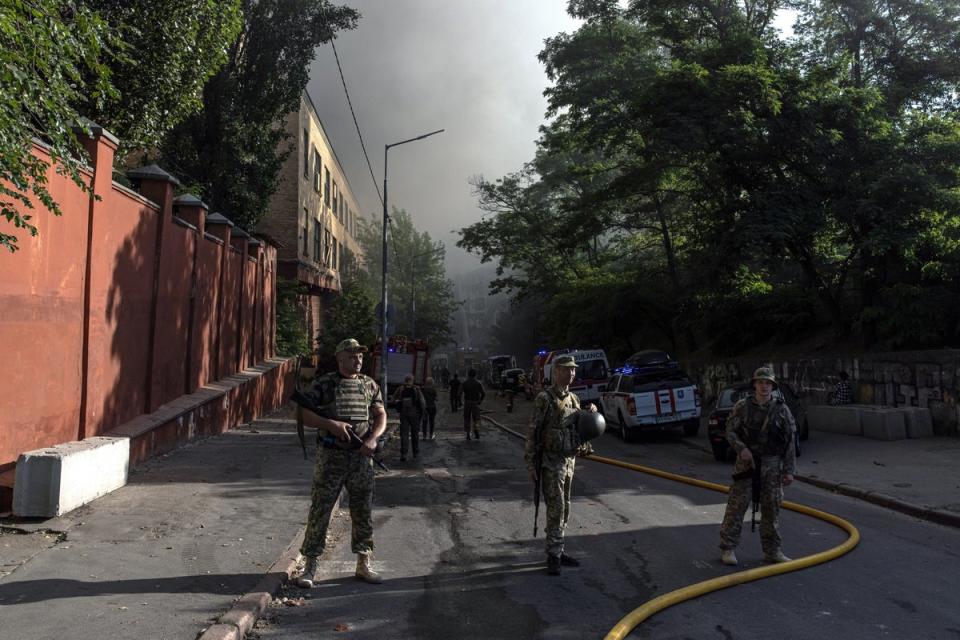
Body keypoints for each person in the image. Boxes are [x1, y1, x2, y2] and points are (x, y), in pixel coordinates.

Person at [295, 338, 387, 588]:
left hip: (361, 458)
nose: (358, 360)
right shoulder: (325, 383)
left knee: (363, 510)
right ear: (340, 358)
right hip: (331, 456)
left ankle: (363, 563)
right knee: (320, 509)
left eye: (359, 356)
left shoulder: (369, 385)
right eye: (352, 356)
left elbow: (381, 415)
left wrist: (373, 440)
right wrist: (330, 425)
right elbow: (303, 413)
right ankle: (310, 565)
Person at [524, 355, 596, 575]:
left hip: (568, 461)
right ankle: (553, 556)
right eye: (566, 370)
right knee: (557, 508)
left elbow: (578, 428)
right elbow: (533, 432)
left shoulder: (574, 399)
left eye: (573, 370)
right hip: (550, 462)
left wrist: (590, 414)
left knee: (565, 507)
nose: (570, 374)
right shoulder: (545, 399)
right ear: (555, 372)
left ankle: (558, 548)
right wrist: (531, 464)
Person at [718, 366, 797, 566]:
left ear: (773, 386)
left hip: (772, 465)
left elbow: (789, 442)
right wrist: (741, 448)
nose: (764, 386)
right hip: (747, 464)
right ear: (754, 385)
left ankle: (772, 550)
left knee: (772, 510)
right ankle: (728, 548)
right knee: (737, 506)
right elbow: (730, 430)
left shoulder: (782, 409)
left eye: (768, 383)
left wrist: (789, 470)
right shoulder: (742, 406)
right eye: (761, 382)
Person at [391, 374, 425, 461]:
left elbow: (393, 400)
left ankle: (404, 454)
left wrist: (398, 403)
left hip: (404, 414)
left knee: (404, 434)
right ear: (412, 380)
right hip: (415, 414)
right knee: (415, 434)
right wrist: (422, 412)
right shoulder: (417, 389)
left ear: (405, 380)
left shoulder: (400, 388)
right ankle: (415, 453)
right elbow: (422, 402)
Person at [461, 369, 486, 440]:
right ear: (475, 375)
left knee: (467, 419)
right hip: (475, 403)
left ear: (468, 374)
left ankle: (468, 435)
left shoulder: (464, 383)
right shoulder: (478, 383)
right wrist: (480, 401)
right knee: (476, 419)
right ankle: (477, 432)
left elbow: (459, 394)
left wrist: (460, 402)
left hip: (467, 403)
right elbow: (483, 394)